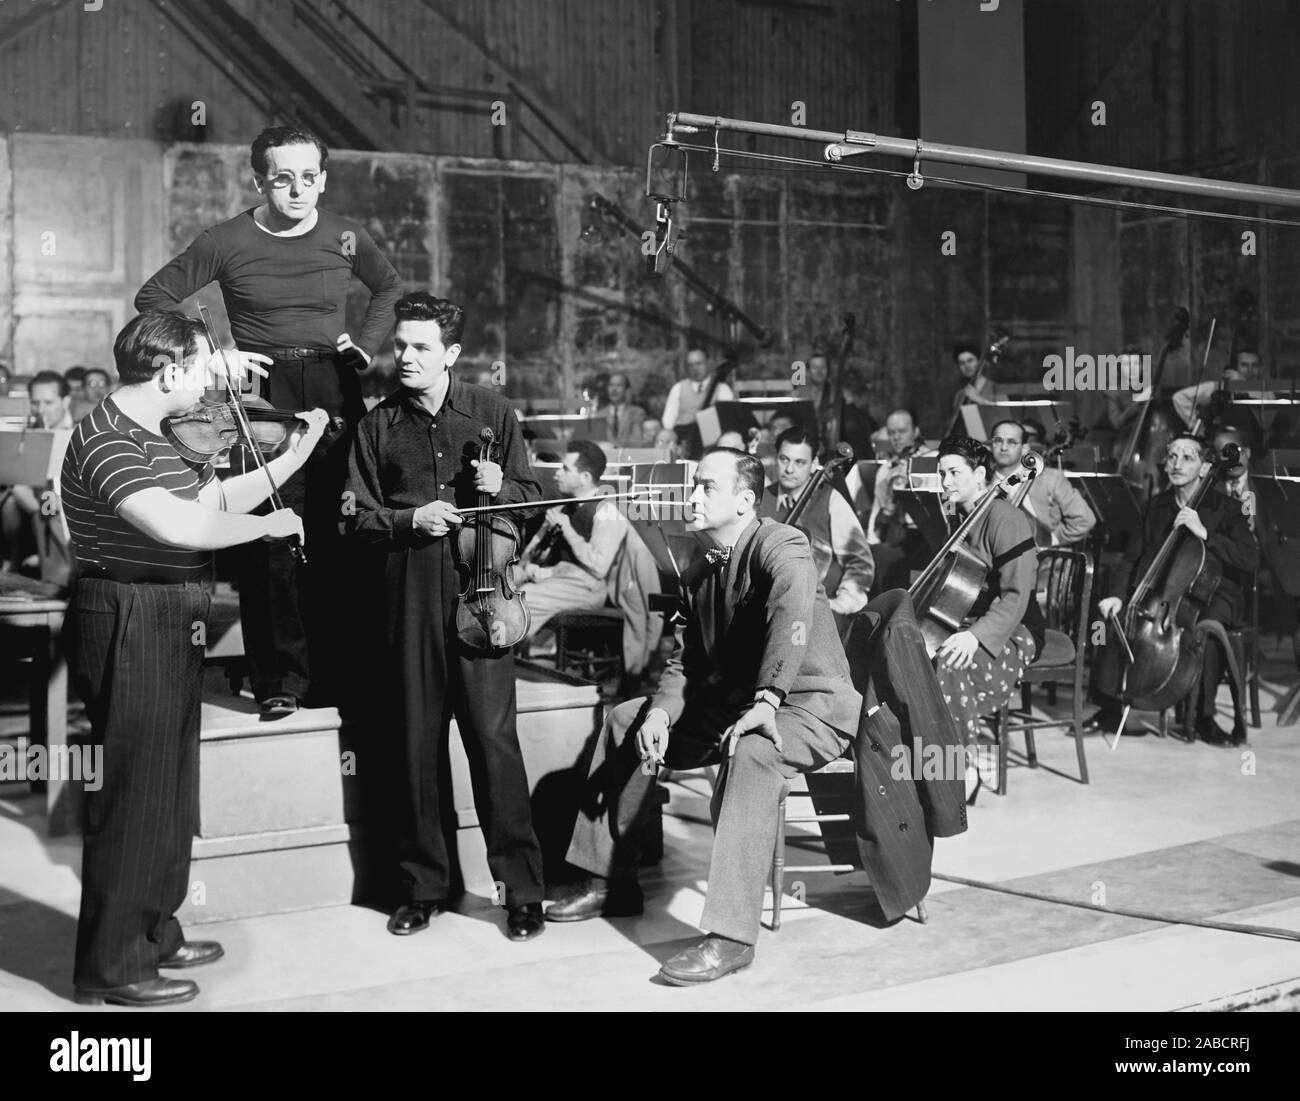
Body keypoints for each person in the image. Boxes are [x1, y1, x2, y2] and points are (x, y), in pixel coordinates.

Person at [61, 310, 325, 1007]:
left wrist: (291, 459)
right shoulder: (108, 438)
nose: (214, 380)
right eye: (205, 367)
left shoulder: (155, 433)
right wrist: (268, 526)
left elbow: (211, 495)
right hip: (130, 610)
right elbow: (181, 525)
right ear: (169, 370)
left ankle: (155, 929)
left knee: (170, 785)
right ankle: (113, 966)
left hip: (172, 610)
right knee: (135, 791)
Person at [545, 446, 863, 984]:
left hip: (808, 705)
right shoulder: (702, 567)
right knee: (626, 718)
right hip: (736, 702)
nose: (692, 496)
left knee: (756, 750)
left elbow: (790, 614)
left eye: (706, 487)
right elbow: (686, 660)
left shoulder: (782, 544)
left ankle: (731, 938)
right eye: (694, 485)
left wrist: (766, 702)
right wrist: (663, 714)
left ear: (745, 500)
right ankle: (608, 881)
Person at [135, 125, 403, 717]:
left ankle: (339, 677)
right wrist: (213, 358)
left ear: (324, 180)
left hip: (335, 385)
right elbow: (152, 299)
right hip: (260, 393)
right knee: (272, 537)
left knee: (339, 531)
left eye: (310, 178)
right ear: (259, 180)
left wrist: (366, 344)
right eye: (283, 178)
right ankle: (280, 679)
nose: (298, 189)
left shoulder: (347, 237)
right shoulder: (225, 239)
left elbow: (388, 289)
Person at [345, 292, 546, 942]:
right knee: (414, 745)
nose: (405, 356)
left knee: (494, 744)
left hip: (480, 591)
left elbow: (534, 497)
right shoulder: (376, 425)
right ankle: (424, 887)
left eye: (421, 346)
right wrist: (409, 518)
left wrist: (502, 490)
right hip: (405, 592)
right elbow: (351, 516)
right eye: (400, 344)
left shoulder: (491, 410)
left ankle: (521, 891)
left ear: (452, 354)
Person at [1088, 433, 1259, 745]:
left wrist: (1205, 532)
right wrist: (1116, 594)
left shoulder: (1229, 508)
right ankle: (1109, 704)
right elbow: (1133, 557)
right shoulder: (1157, 505)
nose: (1177, 463)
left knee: (1204, 627)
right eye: (1172, 456)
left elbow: (1250, 558)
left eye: (1187, 457)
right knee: (1107, 619)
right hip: (1161, 593)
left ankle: (1204, 717)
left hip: (1213, 592)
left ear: (1206, 468)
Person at [929, 436, 1044, 803]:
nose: (946, 482)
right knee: (911, 652)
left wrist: (976, 637)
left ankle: (963, 768)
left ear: (980, 474)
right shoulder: (958, 515)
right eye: (942, 473)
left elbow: (1016, 594)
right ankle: (951, 757)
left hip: (1014, 626)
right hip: (966, 620)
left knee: (949, 662)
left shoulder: (1005, 517)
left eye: (955, 473)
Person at [757, 426, 873, 622]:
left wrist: (841, 604)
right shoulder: (759, 499)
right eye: (784, 459)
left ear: (814, 464)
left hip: (816, 615)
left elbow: (860, 563)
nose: (789, 469)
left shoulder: (831, 500)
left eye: (800, 462)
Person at [517, 439, 627, 637]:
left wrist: (567, 530)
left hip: (585, 586)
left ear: (584, 478)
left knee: (523, 599)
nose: (558, 474)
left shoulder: (608, 512)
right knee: (500, 587)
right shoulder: (561, 508)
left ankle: (504, 654)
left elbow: (599, 567)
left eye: (565, 469)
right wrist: (528, 565)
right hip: (556, 577)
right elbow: (532, 550)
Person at [988, 419, 1096, 549]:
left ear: (1024, 448)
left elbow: (1085, 520)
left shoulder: (1050, 479)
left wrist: (1051, 540)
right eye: (998, 441)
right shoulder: (981, 480)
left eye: (1012, 442)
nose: (1003, 448)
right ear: (990, 445)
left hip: (1039, 561)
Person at [866, 408, 938, 592]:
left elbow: (947, 506)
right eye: (892, 433)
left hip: (930, 536)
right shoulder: (886, 470)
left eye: (902, 431)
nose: (896, 437)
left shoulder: (935, 461)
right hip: (898, 535)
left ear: (915, 431)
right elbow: (877, 514)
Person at [657, 347, 734, 452]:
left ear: (708, 363)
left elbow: (728, 421)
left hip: (713, 444)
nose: (695, 368)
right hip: (683, 443)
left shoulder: (722, 389)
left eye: (698, 364)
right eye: (691, 365)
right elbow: (668, 422)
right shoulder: (678, 388)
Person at [949, 341, 1005, 422]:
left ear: (979, 362)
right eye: (962, 363)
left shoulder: (996, 389)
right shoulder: (959, 395)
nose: (967, 366)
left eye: (970, 360)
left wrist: (980, 400)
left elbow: (1004, 417)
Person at [604, 372, 647, 445]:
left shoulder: (637, 413)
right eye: (611, 385)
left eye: (619, 385)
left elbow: (637, 440)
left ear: (626, 390)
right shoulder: (599, 415)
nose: (614, 389)